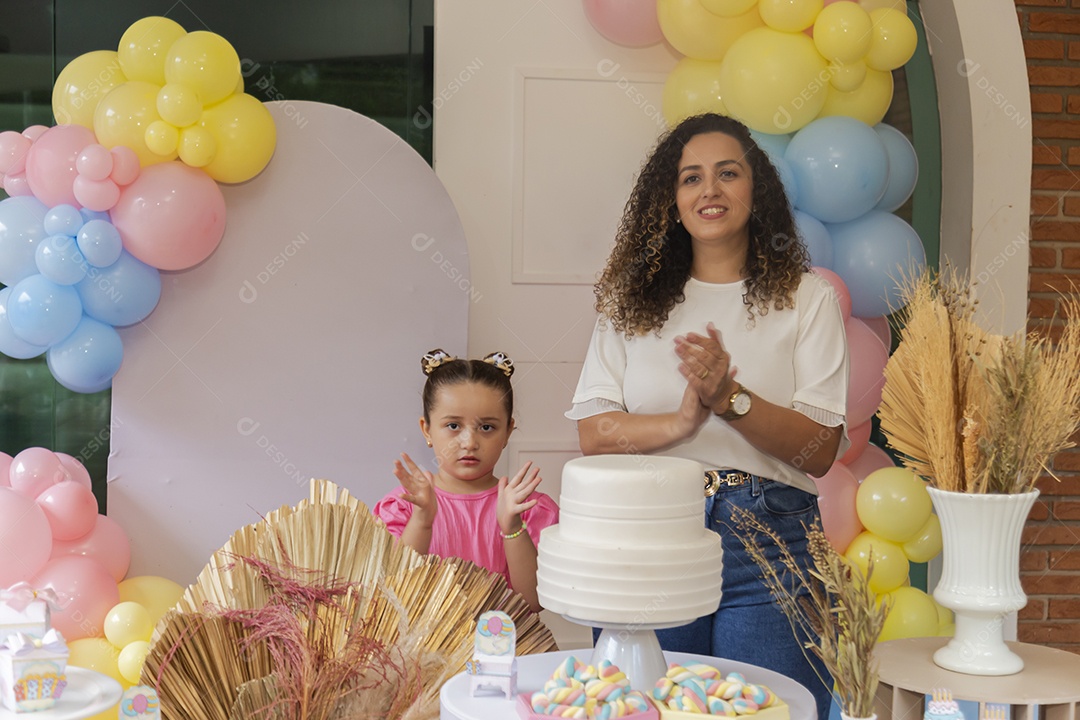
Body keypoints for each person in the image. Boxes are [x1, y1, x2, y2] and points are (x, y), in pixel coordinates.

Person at [566, 113, 849, 720]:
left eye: (728, 173)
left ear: (758, 188)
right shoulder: (627, 299)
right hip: (649, 533)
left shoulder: (808, 297)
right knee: (643, 709)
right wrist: (679, 424)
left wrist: (731, 400)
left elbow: (820, 450)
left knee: (770, 710)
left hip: (772, 537)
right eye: (690, 178)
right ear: (670, 200)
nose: (709, 190)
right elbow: (594, 431)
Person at [375, 349, 559, 613]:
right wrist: (422, 521)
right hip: (421, 653)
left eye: (487, 427)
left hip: (506, 652)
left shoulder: (527, 509)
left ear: (507, 431)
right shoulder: (403, 508)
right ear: (427, 430)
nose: (469, 442)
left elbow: (532, 602)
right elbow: (391, 597)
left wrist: (512, 528)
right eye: (453, 426)